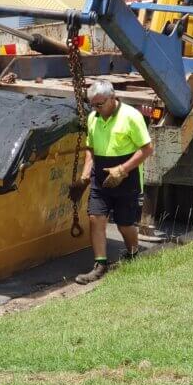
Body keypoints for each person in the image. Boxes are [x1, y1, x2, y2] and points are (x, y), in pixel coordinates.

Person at [72, 80, 154, 285]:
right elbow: (91, 148)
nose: (96, 109)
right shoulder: (93, 118)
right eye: (93, 105)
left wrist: (122, 169)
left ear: (112, 98)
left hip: (127, 179)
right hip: (100, 179)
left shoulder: (131, 116)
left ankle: (133, 253)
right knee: (95, 218)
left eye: (100, 104)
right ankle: (100, 265)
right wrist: (85, 176)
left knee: (125, 225)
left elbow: (147, 149)